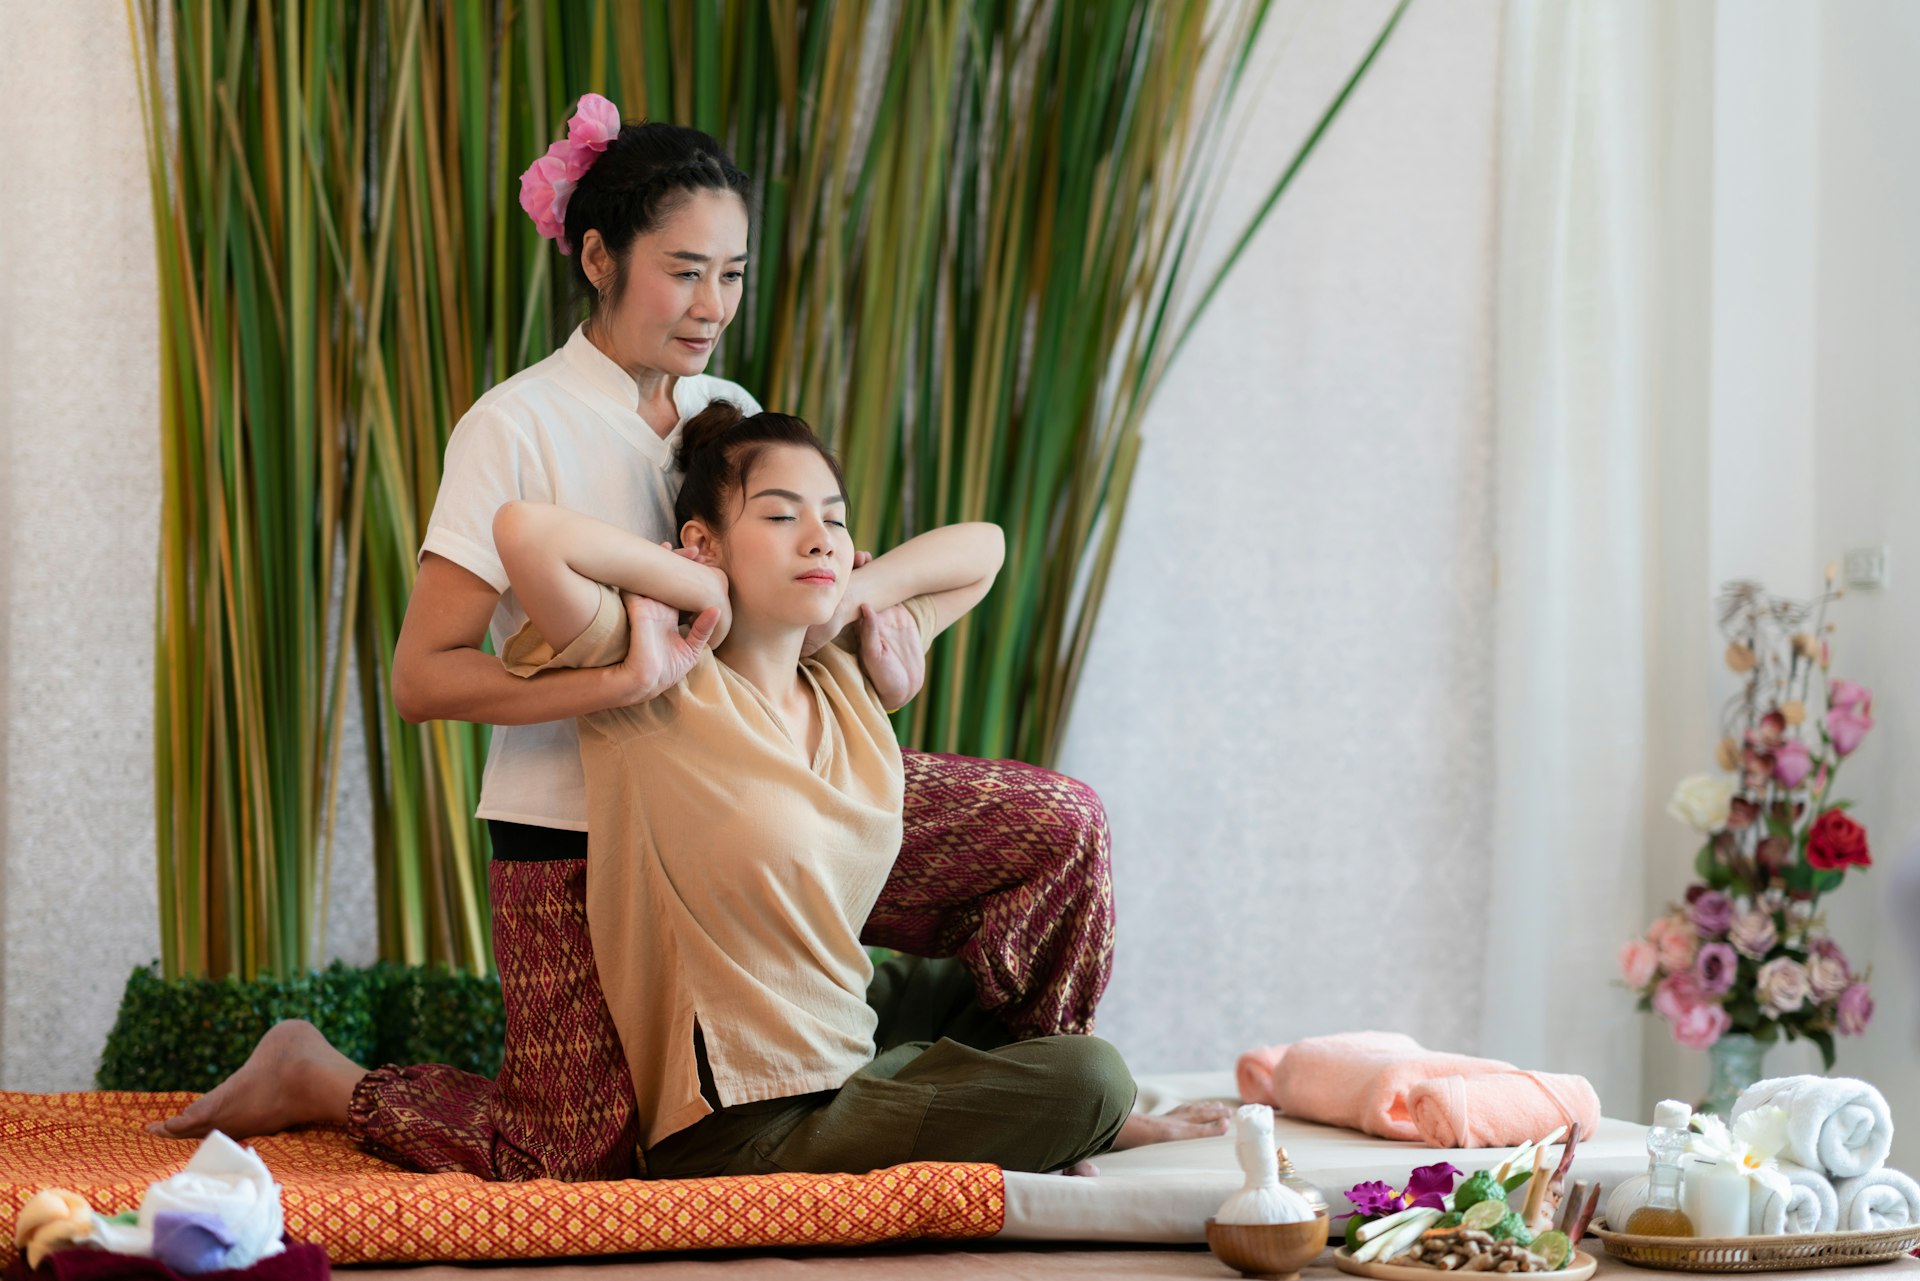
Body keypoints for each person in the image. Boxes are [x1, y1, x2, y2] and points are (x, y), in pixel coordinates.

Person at [149, 96, 1227, 1176]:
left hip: (761, 790)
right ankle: (318, 1075)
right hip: (580, 831)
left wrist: (858, 617)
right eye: (684, 269)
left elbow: (808, 583)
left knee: (1054, 829)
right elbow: (424, 680)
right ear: (598, 256)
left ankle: (1053, 1090)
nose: (712, 304)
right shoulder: (512, 427)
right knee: (569, 1160)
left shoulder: (728, 405)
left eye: (734, 273)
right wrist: (618, 680)